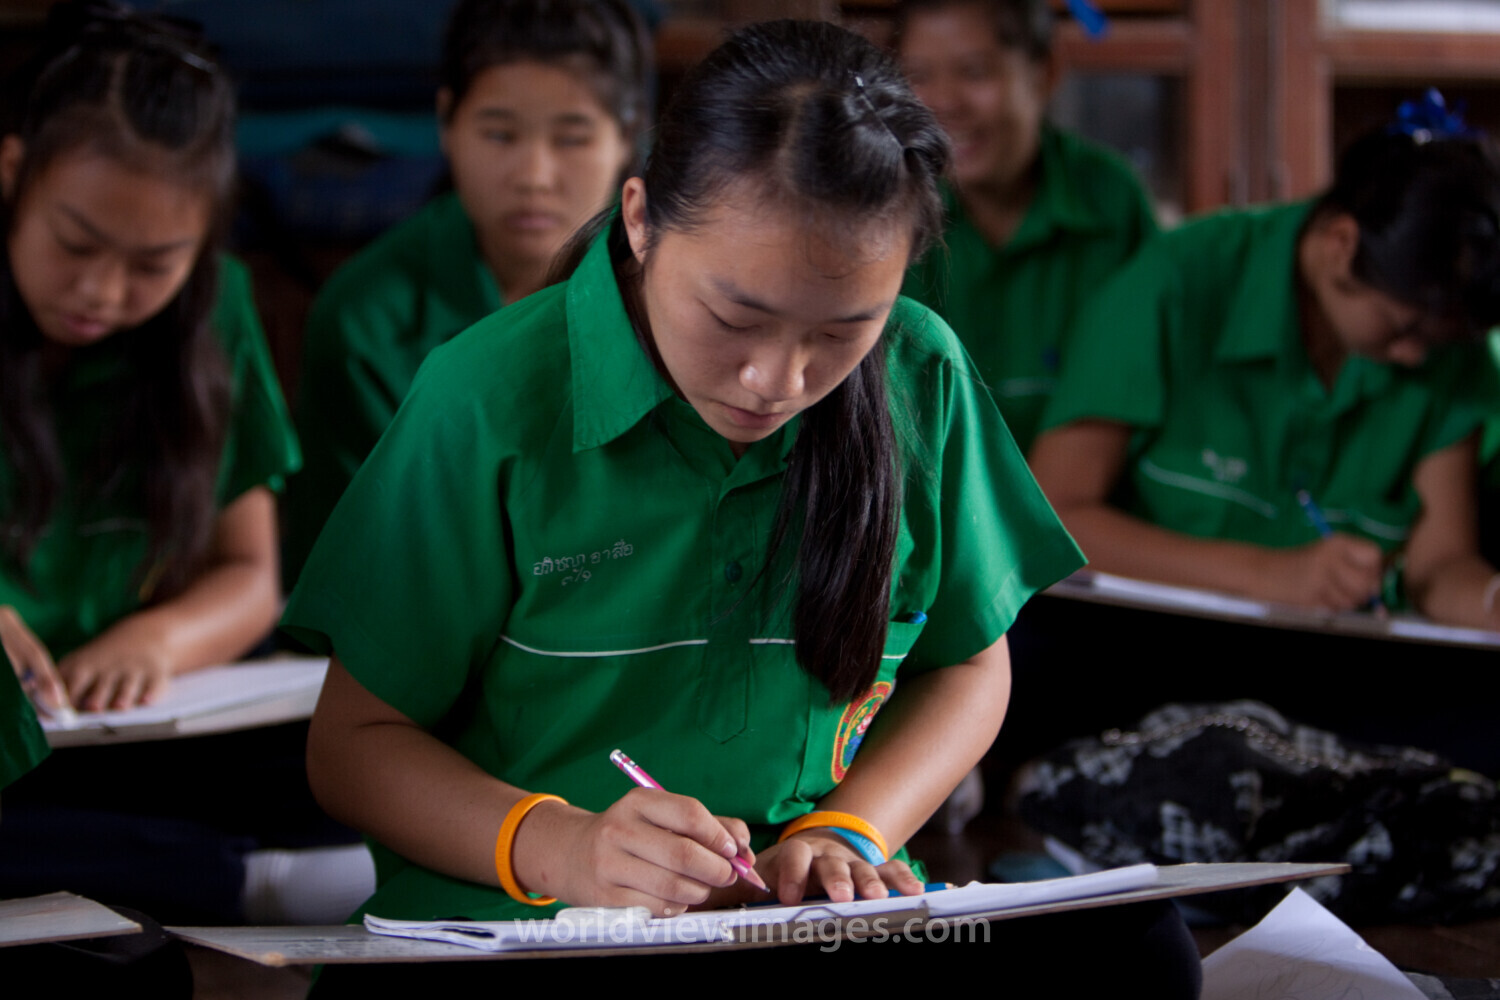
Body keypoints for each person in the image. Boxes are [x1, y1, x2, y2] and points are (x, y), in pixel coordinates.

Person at [286, 19, 1200, 994]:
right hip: (539, 929)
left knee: (1139, 954)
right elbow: (353, 748)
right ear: (641, 221)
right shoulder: (486, 397)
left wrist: (848, 829)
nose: (778, 379)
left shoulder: (919, 371)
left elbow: (969, 668)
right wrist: (566, 849)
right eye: (734, 318)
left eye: (843, 331)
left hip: (784, 926)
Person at [0, 2, 375, 927]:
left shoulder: (218, 313)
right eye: (76, 244)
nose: (100, 291)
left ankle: (147, 870)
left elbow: (248, 576)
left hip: (138, 728)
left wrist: (157, 642)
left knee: (362, 754)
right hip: (11, 733)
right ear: (11, 174)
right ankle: (228, 883)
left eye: (150, 264)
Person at [1030, 113, 1500, 627]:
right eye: (1401, 329)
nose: (1416, 357)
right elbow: (1053, 524)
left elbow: (1439, 567)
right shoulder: (1177, 283)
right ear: (1342, 243)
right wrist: (1271, 575)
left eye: (1437, 341)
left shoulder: (1449, 347)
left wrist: (1490, 601)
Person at [282, 0, 650, 583]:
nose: (533, 176)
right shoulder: (365, 320)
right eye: (499, 133)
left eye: (573, 138)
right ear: (447, 122)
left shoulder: (673, 302)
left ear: (626, 136)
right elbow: (363, 565)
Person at [894, 0, 1156, 452]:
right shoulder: (887, 208)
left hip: (1076, 508)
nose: (945, 101)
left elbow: (1150, 384)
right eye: (919, 76)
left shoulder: (1111, 200)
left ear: (1045, 73)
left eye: (974, 72)